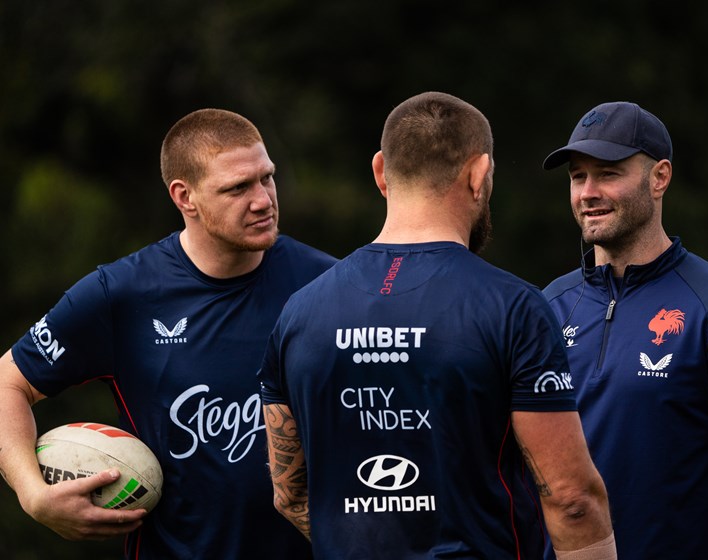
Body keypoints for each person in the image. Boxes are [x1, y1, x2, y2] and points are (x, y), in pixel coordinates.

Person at [258, 91, 616, 560]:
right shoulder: (514, 308)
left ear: (381, 172)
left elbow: (289, 493)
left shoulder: (299, 312)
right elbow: (571, 499)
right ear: (479, 174)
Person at [0, 108, 336, 559]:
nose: (262, 200)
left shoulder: (328, 284)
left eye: (266, 178)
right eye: (237, 188)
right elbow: (8, 383)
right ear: (185, 197)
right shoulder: (120, 294)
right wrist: (33, 495)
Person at [541, 101, 708, 559]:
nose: (588, 192)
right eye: (578, 177)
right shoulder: (547, 309)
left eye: (608, 173)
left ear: (659, 178)